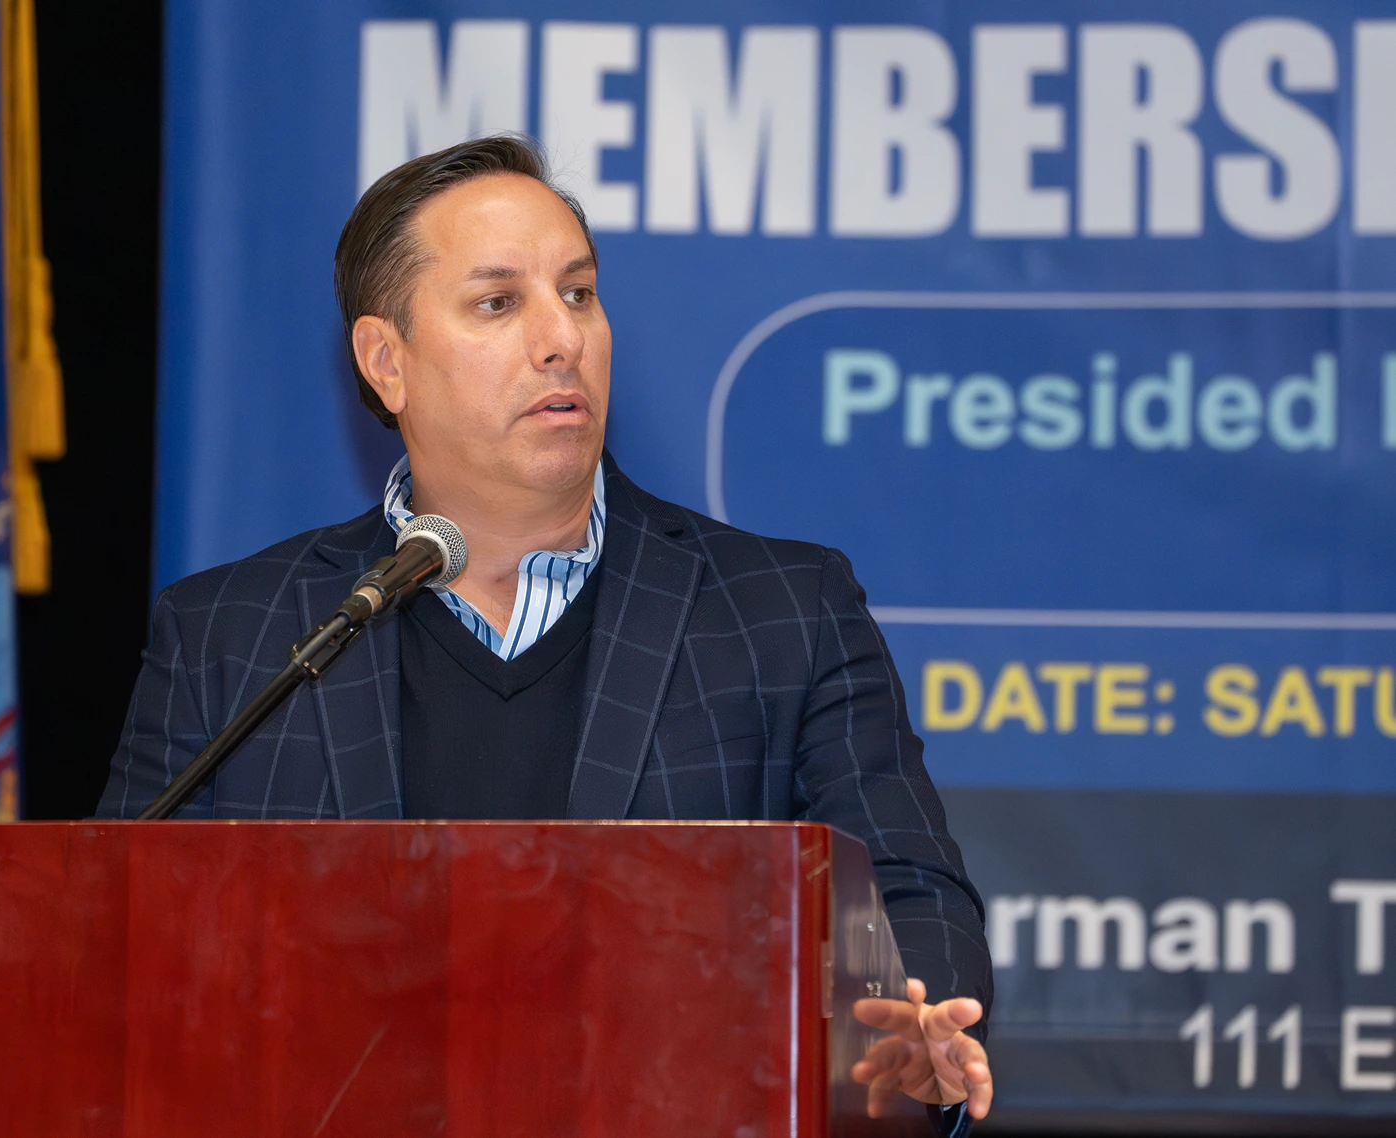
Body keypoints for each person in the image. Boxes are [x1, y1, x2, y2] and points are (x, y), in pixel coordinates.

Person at [97, 135, 993, 1131]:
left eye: (578, 293)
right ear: (386, 361)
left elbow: (909, 891)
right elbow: (116, 940)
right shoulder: (231, 634)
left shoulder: (783, 609)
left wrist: (914, 1026)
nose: (561, 336)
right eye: (498, 302)